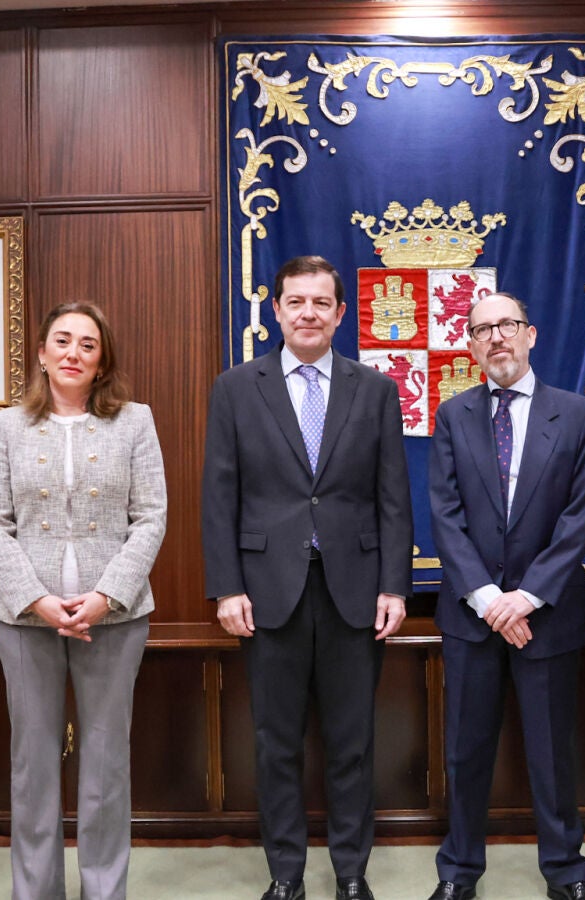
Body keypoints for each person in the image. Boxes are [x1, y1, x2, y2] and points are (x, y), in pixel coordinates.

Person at [202, 255, 413, 900]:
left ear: (341, 313)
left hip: (356, 589)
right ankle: (286, 874)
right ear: (276, 310)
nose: (308, 313)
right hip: (266, 591)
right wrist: (227, 587)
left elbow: (393, 497)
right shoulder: (237, 387)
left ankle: (351, 873)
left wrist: (394, 586)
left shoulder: (374, 389)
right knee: (276, 743)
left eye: (321, 302)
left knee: (353, 742)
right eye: (296, 301)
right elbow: (219, 496)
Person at [0, 301, 167, 900]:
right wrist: (35, 598)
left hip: (116, 618)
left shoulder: (135, 421)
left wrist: (108, 594)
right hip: (23, 619)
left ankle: (104, 890)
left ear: (102, 359)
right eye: (62, 341)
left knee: (106, 761)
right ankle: (36, 891)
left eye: (88, 344)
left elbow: (151, 517)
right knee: (32, 764)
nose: (73, 353)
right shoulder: (5, 426)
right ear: (41, 352)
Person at [427, 293, 585, 900]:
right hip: (471, 617)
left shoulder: (575, 414)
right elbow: (444, 514)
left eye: (507, 325)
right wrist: (487, 599)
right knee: (465, 752)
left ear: (531, 334)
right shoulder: (453, 415)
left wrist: (525, 598)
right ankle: (458, 872)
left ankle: (566, 873)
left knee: (552, 754)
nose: (496, 337)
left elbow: (580, 515)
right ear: (471, 346)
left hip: (547, 616)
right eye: (482, 330)